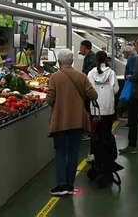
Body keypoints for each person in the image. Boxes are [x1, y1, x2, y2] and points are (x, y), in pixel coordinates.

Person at [46, 49, 98, 196]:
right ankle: (70, 184)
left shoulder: (54, 77)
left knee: (61, 152)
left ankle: (61, 184)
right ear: (73, 61)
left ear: (59, 62)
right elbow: (93, 94)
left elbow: (50, 100)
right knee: (74, 152)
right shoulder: (82, 76)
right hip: (77, 121)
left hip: (60, 121)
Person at [87, 51, 118, 134]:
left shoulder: (91, 73)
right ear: (105, 60)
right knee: (107, 131)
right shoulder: (111, 73)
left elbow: (88, 89)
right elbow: (116, 89)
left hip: (95, 107)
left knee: (96, 132)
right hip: (108, 107)